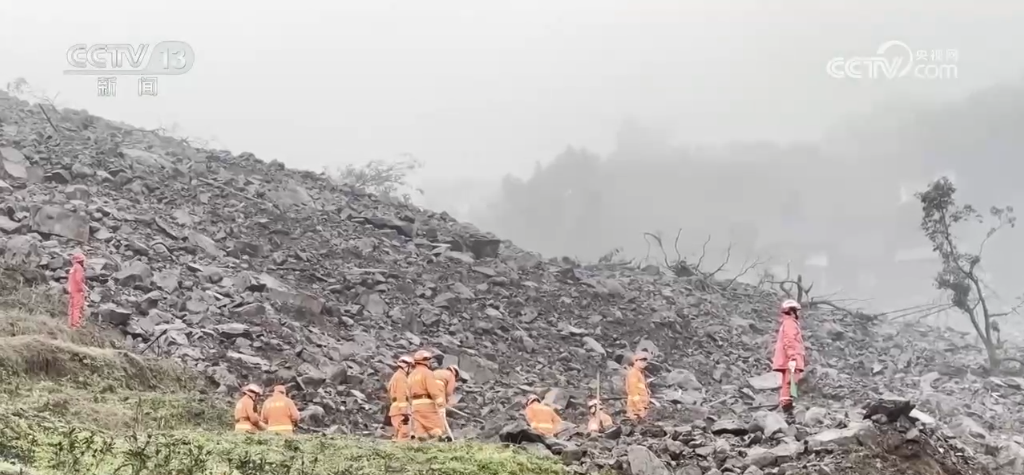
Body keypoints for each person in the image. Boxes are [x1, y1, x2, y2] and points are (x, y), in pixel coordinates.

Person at [772, 299, 806, 423]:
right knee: (790, 384)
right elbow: (790, 341)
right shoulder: (790, 323)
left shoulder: (788, 323)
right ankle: (788, 414)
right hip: (791, 360)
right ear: (792, 311)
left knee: (790, 384)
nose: (798, 313)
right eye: (797, 311)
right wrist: (793, 358)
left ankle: (788, 411)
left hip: (789, 359)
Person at [406, 350, 446, 440]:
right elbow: (434, 391)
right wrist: (441, 404)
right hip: (427, 406)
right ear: (425, 361)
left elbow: (408, 394)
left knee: (421, 431)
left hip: (415, 406)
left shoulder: (411, 376)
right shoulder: (427, 373)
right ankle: (438, 444)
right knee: (436, 427)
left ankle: (423, 443)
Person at [386, 355, 414, 441]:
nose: (412, 370)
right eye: (411, 367)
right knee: (405, 435)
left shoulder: (395, 376)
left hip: (395, 410)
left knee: (398, 436)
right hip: (401, 411)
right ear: (406, 366)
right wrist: (404, 412)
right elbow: (401, 395)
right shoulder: (401, 378)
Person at [625, 351, 651, 421]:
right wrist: (639, 406)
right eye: (641, 361)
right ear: (635, 361)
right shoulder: (633, 373)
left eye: (644, 361)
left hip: (640, 408)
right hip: (635, 409)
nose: (643, 363)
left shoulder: (640, 373)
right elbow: (633, 390)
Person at [67, 252, 87, 329]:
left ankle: (70, 324)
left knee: (72, 307)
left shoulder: (73, 268)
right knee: (77, 308)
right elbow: (79, 280)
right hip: (77, 291)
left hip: (72, 290)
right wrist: (83, 289)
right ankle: (75, 325)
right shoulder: (79, 268)